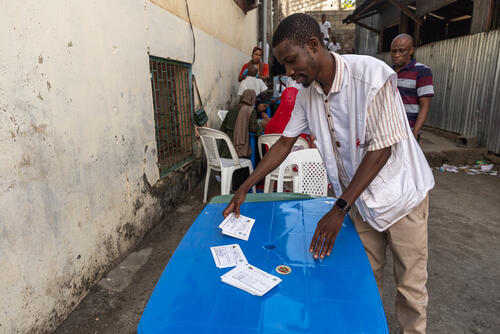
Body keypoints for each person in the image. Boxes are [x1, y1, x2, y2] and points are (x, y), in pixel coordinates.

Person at [223, 13, 434, 334]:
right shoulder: (307, 95)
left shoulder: (371, 76)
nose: (290, 74)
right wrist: (245, 186)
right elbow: (283, 145)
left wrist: (338, 209)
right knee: (361, 281)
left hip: (401, 197)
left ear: (313, 45)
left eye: (292, 62)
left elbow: (382, 150)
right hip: (359, 201)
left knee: (410, 290)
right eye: (285, 66)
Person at [391, 33, 434, 141]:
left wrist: (414, 134)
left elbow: (425, 106)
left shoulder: (422, 71)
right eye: (394, 51)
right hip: (389, 131)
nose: (396, 55)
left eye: (401, 51)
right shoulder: (388, 72)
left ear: (411, 51)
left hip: (408, 131)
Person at [220, 89, 269, 158]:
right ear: (253, 99)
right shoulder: (251, 111)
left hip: (225, 147)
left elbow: (222, 128)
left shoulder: (232, 109)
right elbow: (253, 129)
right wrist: (259, 123)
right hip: (237, 149)